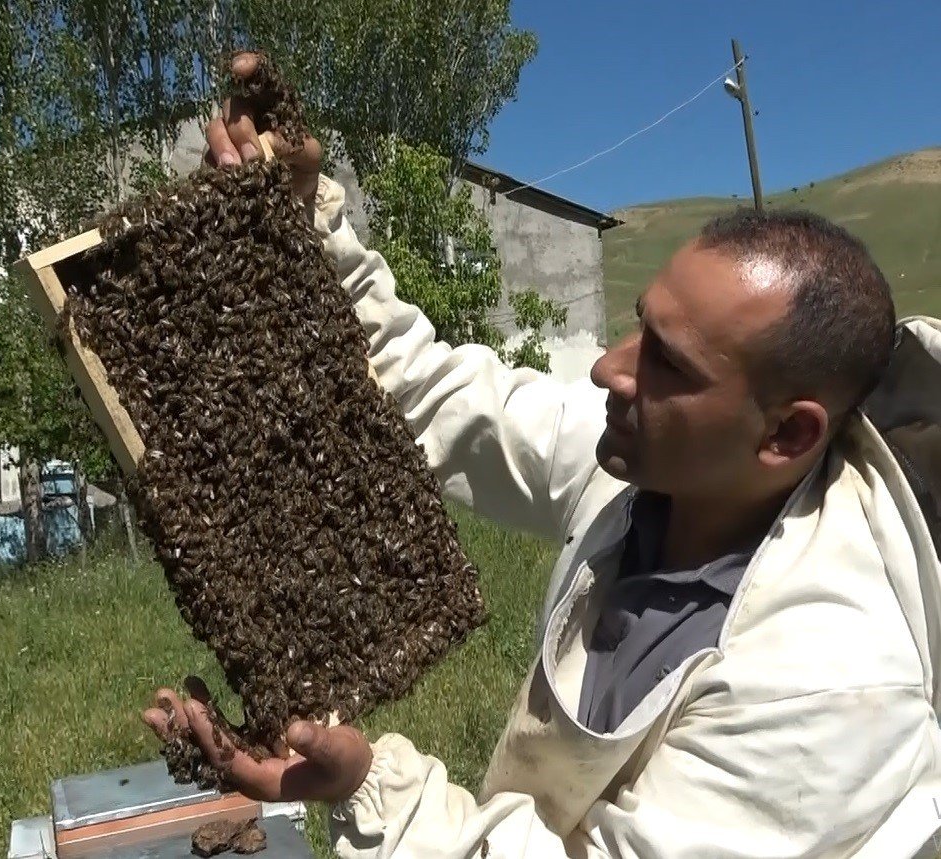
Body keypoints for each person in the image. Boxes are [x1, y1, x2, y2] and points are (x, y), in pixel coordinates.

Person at [142, 52, 941, 857]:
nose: (608, 367)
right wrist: (304, 217)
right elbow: (423, 391)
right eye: (637, 324)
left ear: (787, 435)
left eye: (667, 360)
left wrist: (370, 786)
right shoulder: (656, 466)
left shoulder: (828, 681)